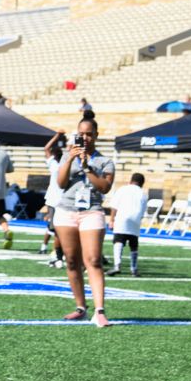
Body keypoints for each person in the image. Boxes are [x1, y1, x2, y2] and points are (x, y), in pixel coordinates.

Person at [54, 116, 116, 328]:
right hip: (66, 211)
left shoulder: (105, 162)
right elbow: (60, 183)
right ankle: (81, 307)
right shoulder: (67, 155)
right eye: (82, 134)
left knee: (93, 260)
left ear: (96, 135)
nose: (85, 138)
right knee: (71, 260)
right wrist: (71, 159)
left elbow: (104, 188)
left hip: (91, 211)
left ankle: (99, 310)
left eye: (89, 134)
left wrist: (87, 167)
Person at [106, 173, 148, 277]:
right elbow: (143, 211)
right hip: (136, 219)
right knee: (134, 245)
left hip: (122, 218)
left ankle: (117, 265)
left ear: (131, 180)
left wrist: (111, 220)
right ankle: (134, 269)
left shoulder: (123, 189)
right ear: (142, 183)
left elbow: (114, 206)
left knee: (118, 241)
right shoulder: (143, 193)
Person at [40, 131, 67, 261]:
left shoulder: (55, 165)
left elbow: (46, 148)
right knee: (56, 227)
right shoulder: (62, 165)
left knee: (54, 227)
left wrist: (57, 135)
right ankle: (52, 250)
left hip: (54, 200)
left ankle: (48, 248)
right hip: (61, 199)